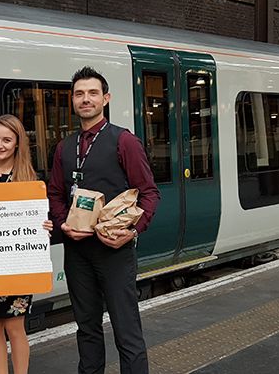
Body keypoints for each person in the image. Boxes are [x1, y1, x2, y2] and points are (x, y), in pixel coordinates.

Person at [47, 66, 160, 374]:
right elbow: (56, 194)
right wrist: (62, 225)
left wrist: (133, 232)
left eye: (93, 93)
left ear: (105, 98)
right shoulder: (64, 148)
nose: (86, 99)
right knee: (86, 329)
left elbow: (149, 194)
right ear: (72, 100)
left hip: (114, 251)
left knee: (127, 331)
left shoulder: (124, 141)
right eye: (80, 94)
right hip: (78, 253)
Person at [0, 114, 53, 374]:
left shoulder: (29, 178)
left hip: (17, 264)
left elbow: (38, 219)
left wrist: (44, 227)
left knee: (15, 326)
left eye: (7, 140)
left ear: (18, 144)